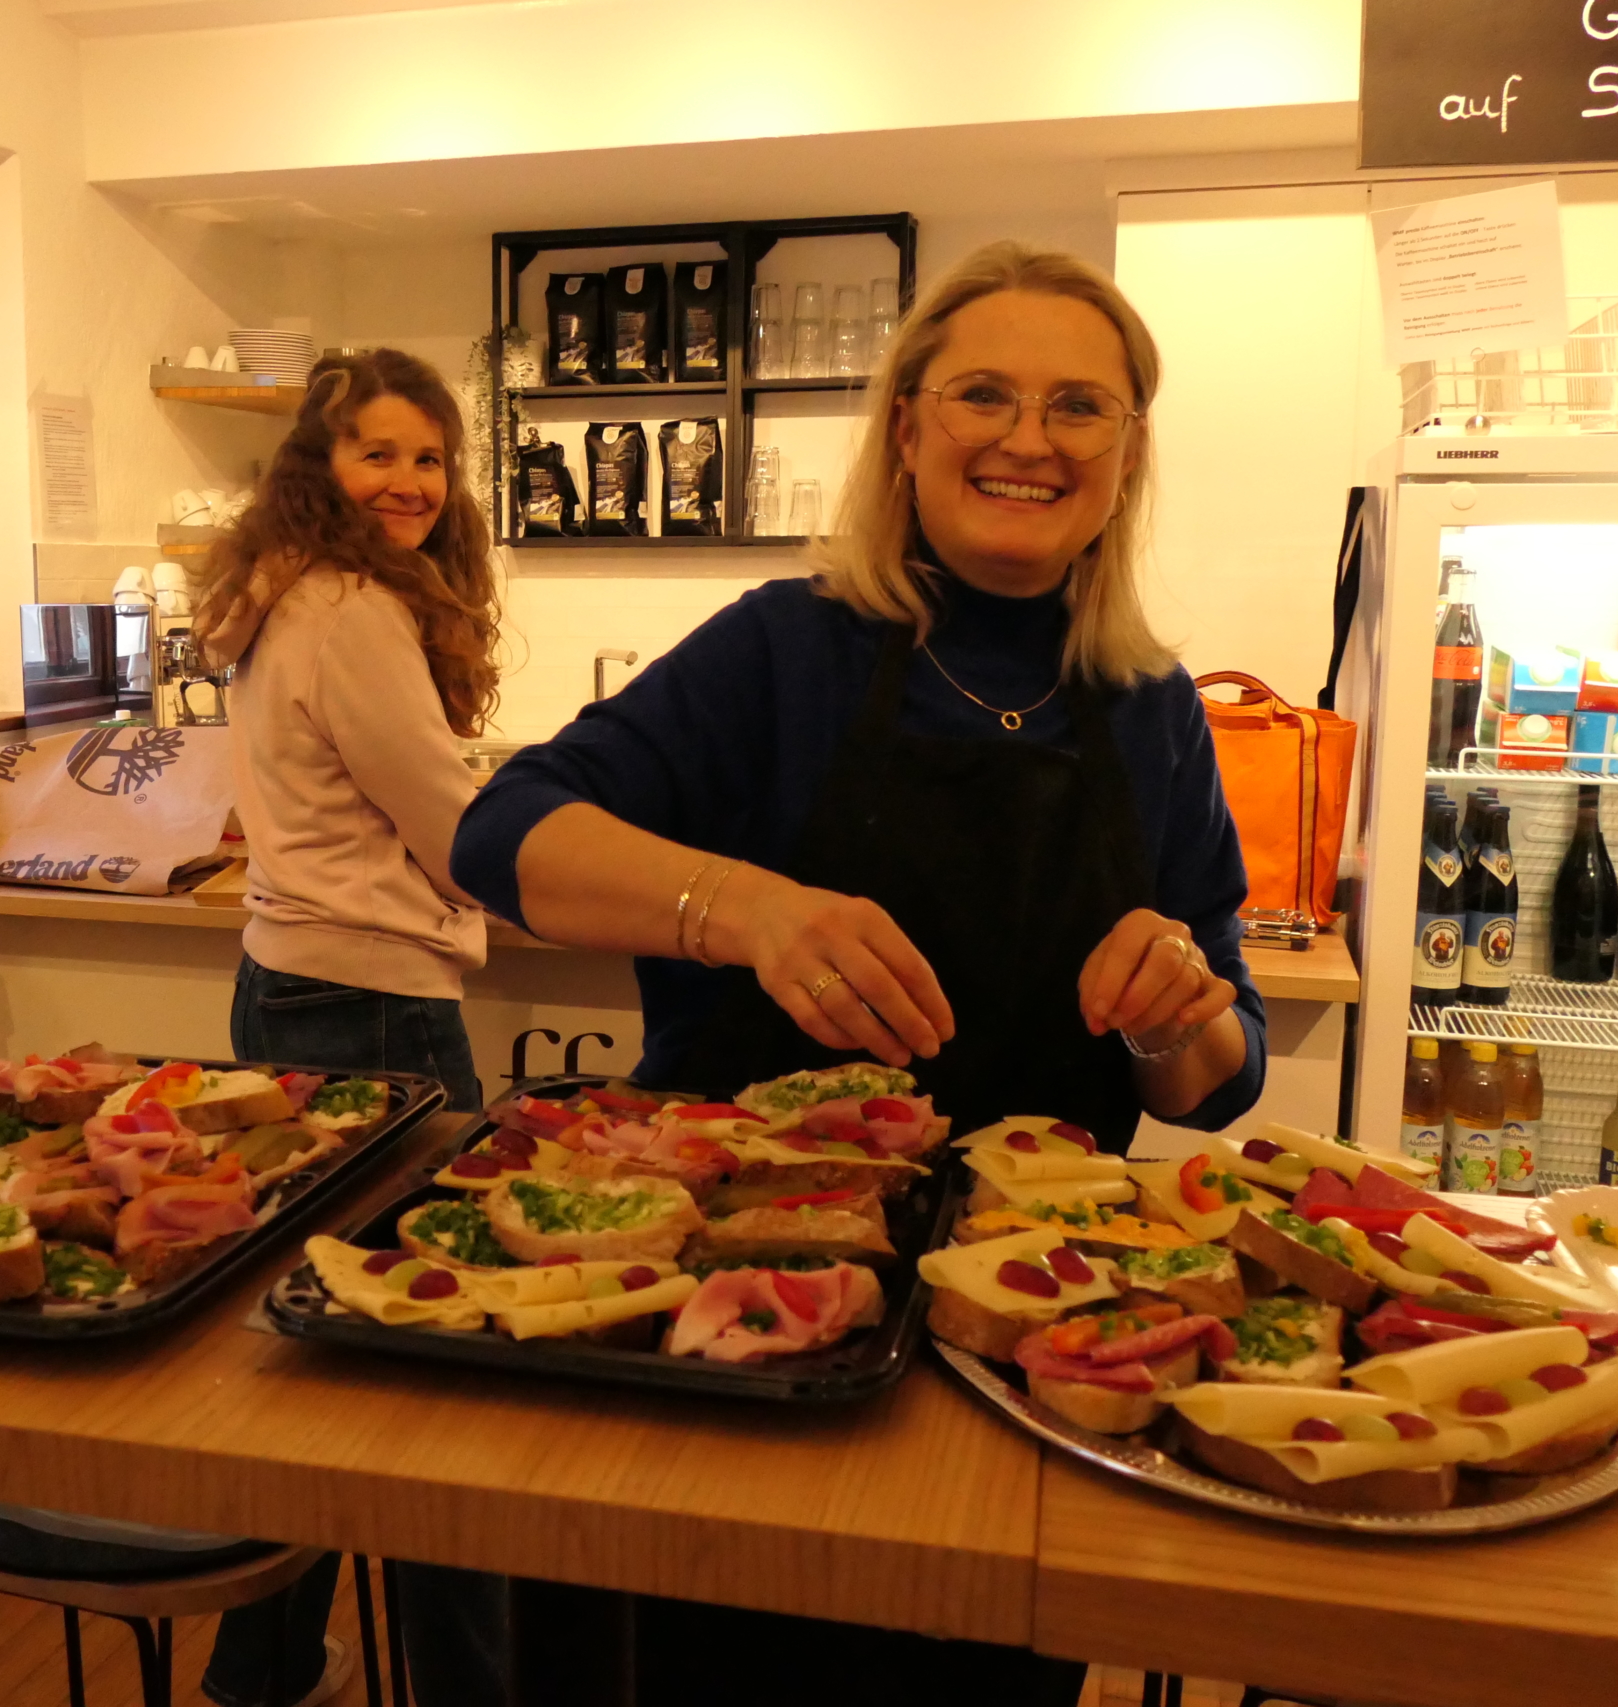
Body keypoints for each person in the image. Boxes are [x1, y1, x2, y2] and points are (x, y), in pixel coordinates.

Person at [448, 239, 1267, 1702]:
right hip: (736, 1319)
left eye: (1079, 406)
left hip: (1024, 1336)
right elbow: (499, 836)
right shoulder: (787, 648)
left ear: (1129, 453)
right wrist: (740, 907)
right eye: (984, 395)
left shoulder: (1152, 709)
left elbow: (1216, 1078)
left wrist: (1175, 1015)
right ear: (906, 429)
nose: (1029, 439)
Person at [187, 346, 507, 1707]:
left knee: (317, 1348)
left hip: (286, 979)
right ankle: (470, 1687)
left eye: (430, 458)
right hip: (377, 1000)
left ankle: (259, 1667)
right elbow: (450, 827)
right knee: (433, 1361)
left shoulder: (277, 592)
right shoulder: (355, 609)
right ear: (319, 465)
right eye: (378, 452)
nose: (410, 482)